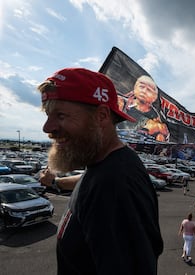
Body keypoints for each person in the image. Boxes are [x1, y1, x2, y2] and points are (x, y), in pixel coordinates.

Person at [37, 67, 163, 274]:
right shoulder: (104, 166)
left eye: (60, 115)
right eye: (49, 115)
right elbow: (89, 180)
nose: (47, 127)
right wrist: (55, 182)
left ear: (102, 116)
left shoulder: (115, 187)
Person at [118, 75, 170, 142]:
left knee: (160, 132)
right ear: (135, 88)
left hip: (131, 146)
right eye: (141, 87)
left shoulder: (156, 119)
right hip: (112, 139)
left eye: (149, 90)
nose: (144, 91)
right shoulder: (121, 102)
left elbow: (164, 136)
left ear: (154, 97)